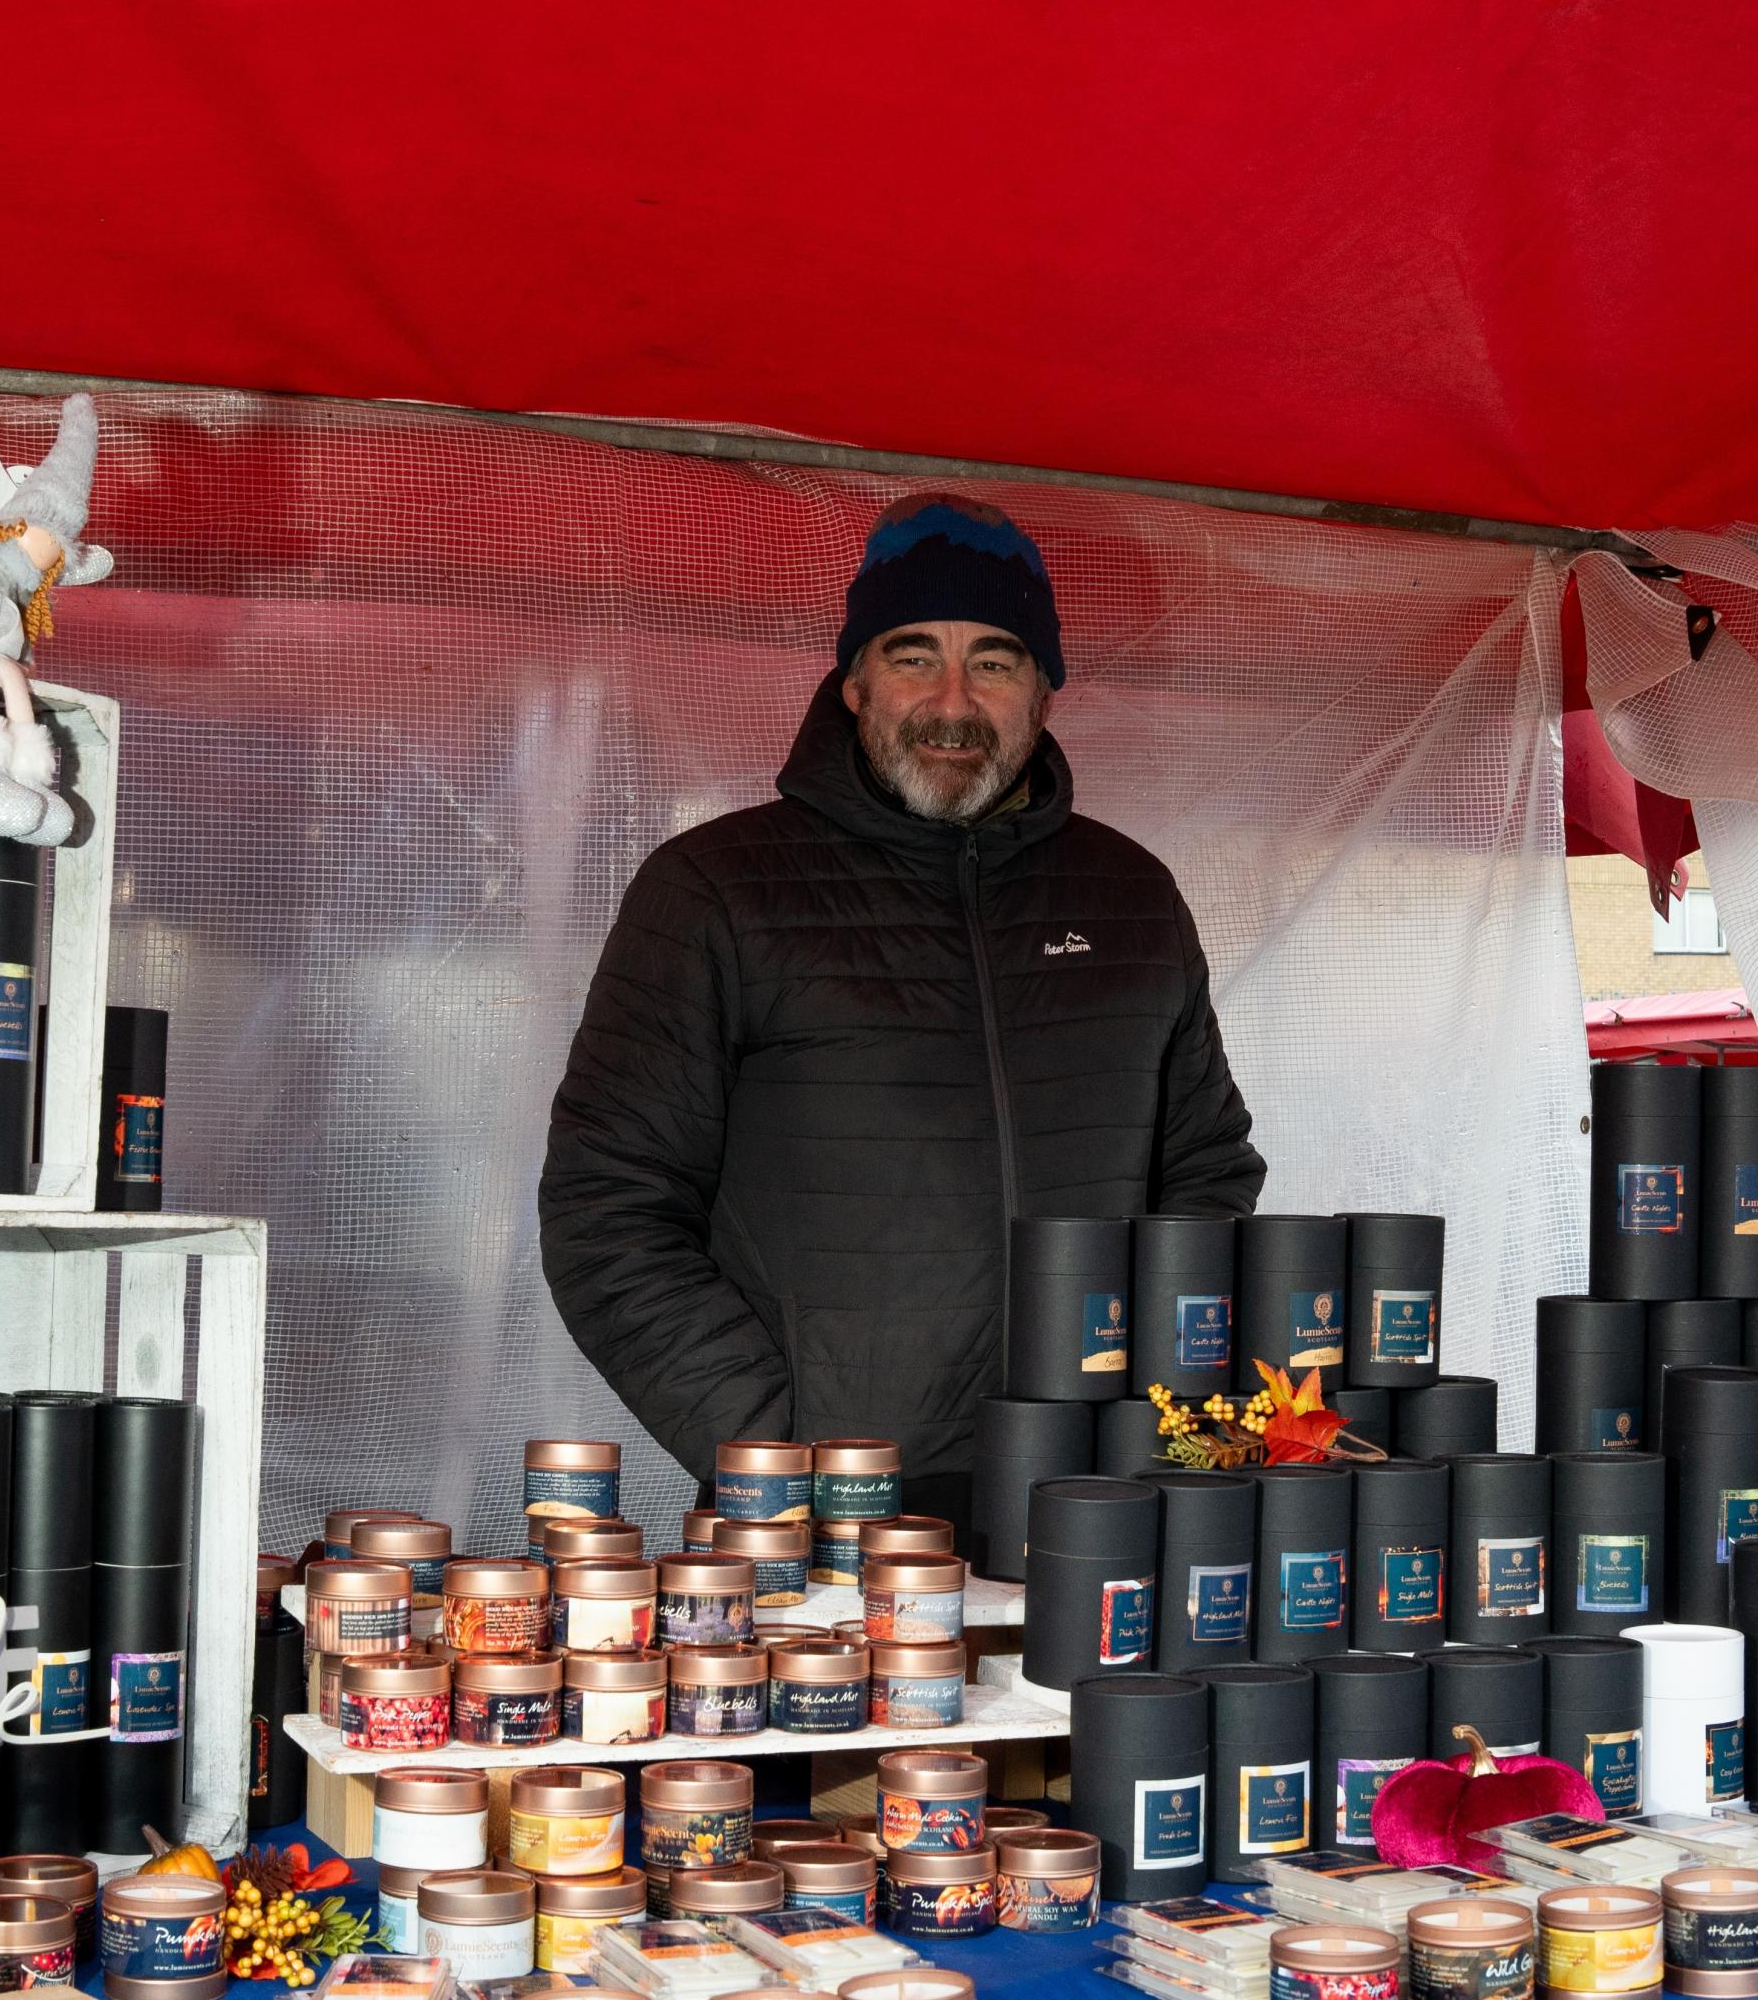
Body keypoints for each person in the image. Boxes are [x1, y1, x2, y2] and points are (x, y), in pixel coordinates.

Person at [540, 498, 1263, 1519]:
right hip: (815, 1518)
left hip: (1095, 1495)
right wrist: (772, 1444)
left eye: (998, 662)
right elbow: (606, 1210)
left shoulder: (1131, 898)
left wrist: (1152, 1402)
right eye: (915, 655)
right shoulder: (715, 891)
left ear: (1046, 690)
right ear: (854, 681)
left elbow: (1209, 1169)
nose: (954, 702)